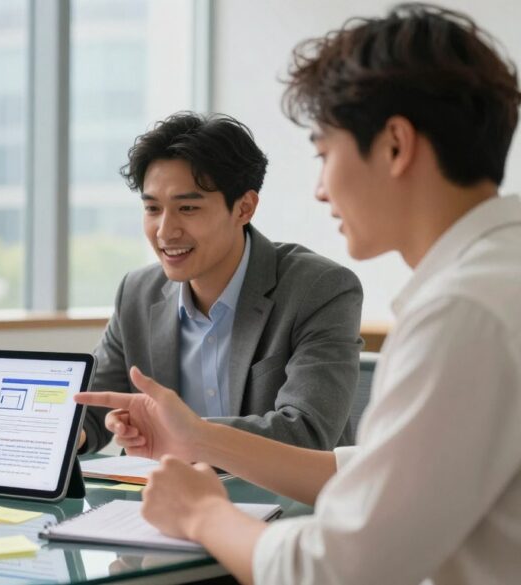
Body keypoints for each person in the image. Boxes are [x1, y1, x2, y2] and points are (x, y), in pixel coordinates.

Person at [76, 4, 521, 584]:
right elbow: (372, 472)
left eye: (324, 153)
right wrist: (198, 437)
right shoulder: (495, 278)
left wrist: (202, 513)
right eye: (152, 208)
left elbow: (341, 568)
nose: (319, 190)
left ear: (395, 145)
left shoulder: (463, 312)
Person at [82, 112, 363, 453]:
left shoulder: (318, 289)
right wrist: (71, 434)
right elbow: (91, 409)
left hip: (276, 488)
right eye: (153, 209)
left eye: (187, 208)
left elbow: (306, 432)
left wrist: (184, 433)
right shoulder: (137, 293)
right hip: (165, 485)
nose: (165, 232)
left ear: (244, 208)